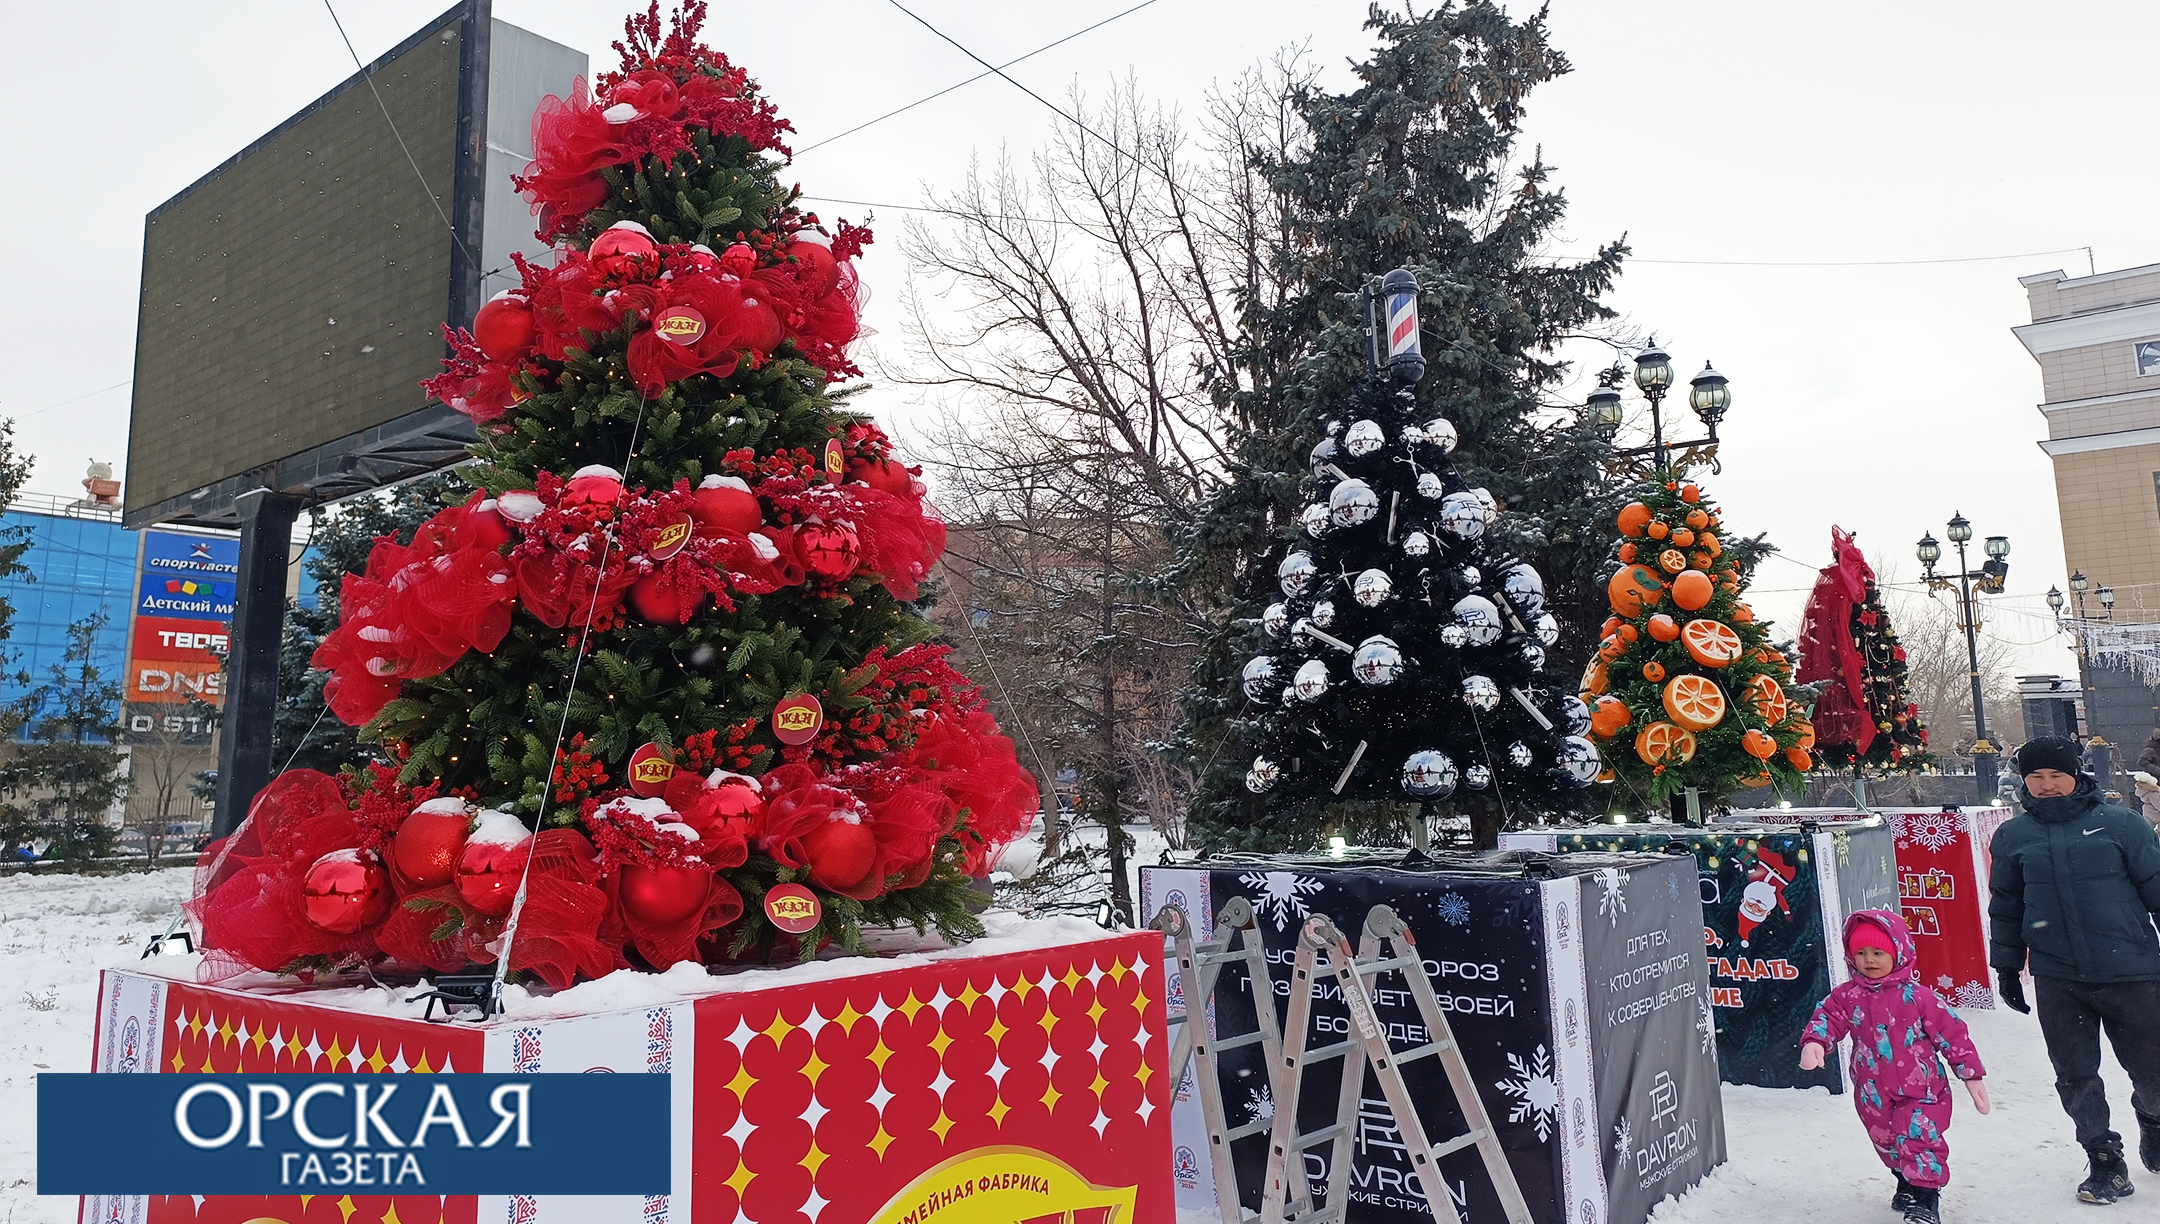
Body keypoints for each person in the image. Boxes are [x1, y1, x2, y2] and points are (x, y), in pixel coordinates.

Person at [1988, 734, 2160, 1204]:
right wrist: (2006, 967)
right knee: (2075, 1075)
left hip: (2131, 972)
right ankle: (2104, 1159)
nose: (2046, 784)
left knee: (2153, 1071)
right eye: (2036, 776)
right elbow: (2006, 906)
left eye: (2056, 775)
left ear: (2075, 774)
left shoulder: (2122, 825)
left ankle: (2152, 1117)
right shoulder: (2014, 837)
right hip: (2058, 977)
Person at [1803, 909, 1989, 1224]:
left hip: (1922, 1090)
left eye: (1878, 953)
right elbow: (1828, 1018)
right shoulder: (1848, 996)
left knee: (1918, 1136)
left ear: (1898, 953)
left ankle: (1926, 1199)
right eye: (1861, 953)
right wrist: (1815, 1042)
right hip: (1872, 1091)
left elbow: (1953, 1035)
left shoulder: (1920, 998)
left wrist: (1972, 1075)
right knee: (1886, 1139)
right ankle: (1905, 1180)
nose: (1869, 960)